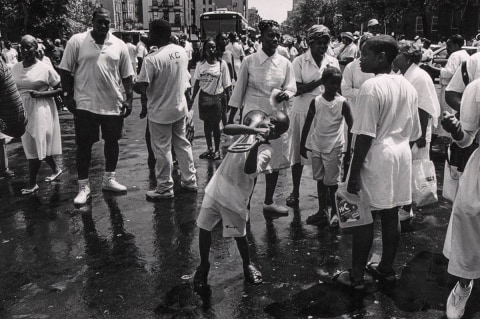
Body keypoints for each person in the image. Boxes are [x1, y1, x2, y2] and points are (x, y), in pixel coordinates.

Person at [333, 35, 421, 290]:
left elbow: (364, 135)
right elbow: (414, 132)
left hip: (377, 155)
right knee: (391, 213)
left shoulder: (372, 87)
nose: (360, 59)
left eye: (366, 54)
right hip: (400, 154)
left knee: (363, 217)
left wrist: (353, 172)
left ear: (382, 57)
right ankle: (386, 269)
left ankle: (357, 276)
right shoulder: (408, 86)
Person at [193, 110, 290, 292]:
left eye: (277, 128)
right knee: (204, 228)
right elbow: (228, 128)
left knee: (240, 235)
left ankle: (247, 264)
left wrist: (256, 146)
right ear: (265, 119)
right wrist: (253, 131)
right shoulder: (247, 132)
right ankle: (203, 265)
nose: (271, 126)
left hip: (236, 197)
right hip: (216, 188)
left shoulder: (267, 150)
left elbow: (249, 170)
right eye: (271, 121)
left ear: (277, 135)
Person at [58, 7, 135, 205]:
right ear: (92, 21)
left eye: (106, 22)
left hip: (112, 103)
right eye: (99, 21)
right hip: (85, 105)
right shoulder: (77, 41)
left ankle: (109, 179)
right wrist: (67, 97)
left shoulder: (119, 45)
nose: (103, 25)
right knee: (84, 146)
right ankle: (84, 187)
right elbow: (65, 71)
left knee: (112, 142)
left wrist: (129, 99)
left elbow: (127, 76)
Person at [228, 20, 296, 215]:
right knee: (252, 159)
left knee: (274, 160)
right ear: (261, 37)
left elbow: (292, 86)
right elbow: (238, 91)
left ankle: (268, 202)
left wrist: (287, 94)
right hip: (254, 117)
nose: (274, 39)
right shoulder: (249, 61)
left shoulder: (285, 62)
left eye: (277, 36)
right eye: (270, 35)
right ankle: (245, 205)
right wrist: (231, 118)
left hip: (277, 118)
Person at [134, 19, 197, 200]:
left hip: (160, 111)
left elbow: (142, 86)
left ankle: (164, 187)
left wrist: (133, 84)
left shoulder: (152, 59)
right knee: (183, 144)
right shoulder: (181, 52)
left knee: (162, 150)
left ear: (155, 35)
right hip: (179, 107)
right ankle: (190, 180)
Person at [286, 24, 339, 210]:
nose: (323, 46)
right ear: (310, 43)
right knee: (298, 157)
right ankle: (295, 192)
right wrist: (321, 80)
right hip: (302, 110)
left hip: (325, 111)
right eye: (319, 42)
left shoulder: (333, 61)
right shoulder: (299, 61)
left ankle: (323, 200)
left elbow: (336, 87)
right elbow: (297, 90)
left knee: (325, 153)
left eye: (326, 42)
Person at [441, 82, 480, 319]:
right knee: (467, 218)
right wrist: (455, 130)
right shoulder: (477, 88)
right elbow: (466, 139)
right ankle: (464, 285)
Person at [392, 41, 441, 221]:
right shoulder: (405, 74)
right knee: (407, 169)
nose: (394, 57)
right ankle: (405, 205)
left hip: (417, 132)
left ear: (407, 57)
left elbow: (423, 108)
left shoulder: (418, 76)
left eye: (398, 54)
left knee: (413, 170)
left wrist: (419, 135)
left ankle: (406, 209)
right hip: (408, 130)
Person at [300, 66, 353, 227]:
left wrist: (349, 149)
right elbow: (307, 124)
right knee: (320, 180)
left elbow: (351, 127)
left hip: (334, 148)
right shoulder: (316, 101)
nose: (335, 87)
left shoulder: (343, 103)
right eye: (331, 83)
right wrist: (302, 145)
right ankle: (321, 210)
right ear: (323, 83)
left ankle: (335, 213)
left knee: (333, 183)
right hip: (317, 146)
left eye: (338, 83)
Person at [12, 35, 63, 195]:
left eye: (29, 47)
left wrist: (41, 94)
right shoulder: (15, 68)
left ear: (36, 48)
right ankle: (56, 168)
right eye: (22, 47)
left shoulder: (45, 68)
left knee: (37, 142)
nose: (25, 50)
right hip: (22, 110)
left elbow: (61, 89)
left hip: (41, 109)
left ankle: (32, 183)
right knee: (31, 143)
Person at [190, 38, 231, 160]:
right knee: (206, 124)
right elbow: (197, 82)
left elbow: (227, 84)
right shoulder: (200, 65)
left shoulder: (221, 64)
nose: (212, 50)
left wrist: (229, 100)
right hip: (204, 98)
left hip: (217, 98)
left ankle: (217, 149)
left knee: (216, 125)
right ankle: (209, 148)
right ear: (205, 49)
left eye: (213, 47)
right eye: (209, 47)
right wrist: (192, 98)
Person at [429, 34, 468, 137]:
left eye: (449, 45)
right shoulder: (465, 55)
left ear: (456, 45)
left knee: (446, 115)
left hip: (450, 89)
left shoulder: (455, 55)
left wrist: (433, 69)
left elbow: (448, 73)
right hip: (460, 91)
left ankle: (445, 139)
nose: (447, 48)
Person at [341, 33, 375, 120]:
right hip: (355, 110)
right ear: (360, 48)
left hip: (373, 110)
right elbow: (345, 90)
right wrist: (366, 94)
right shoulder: (351, 67)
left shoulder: (378, 66)